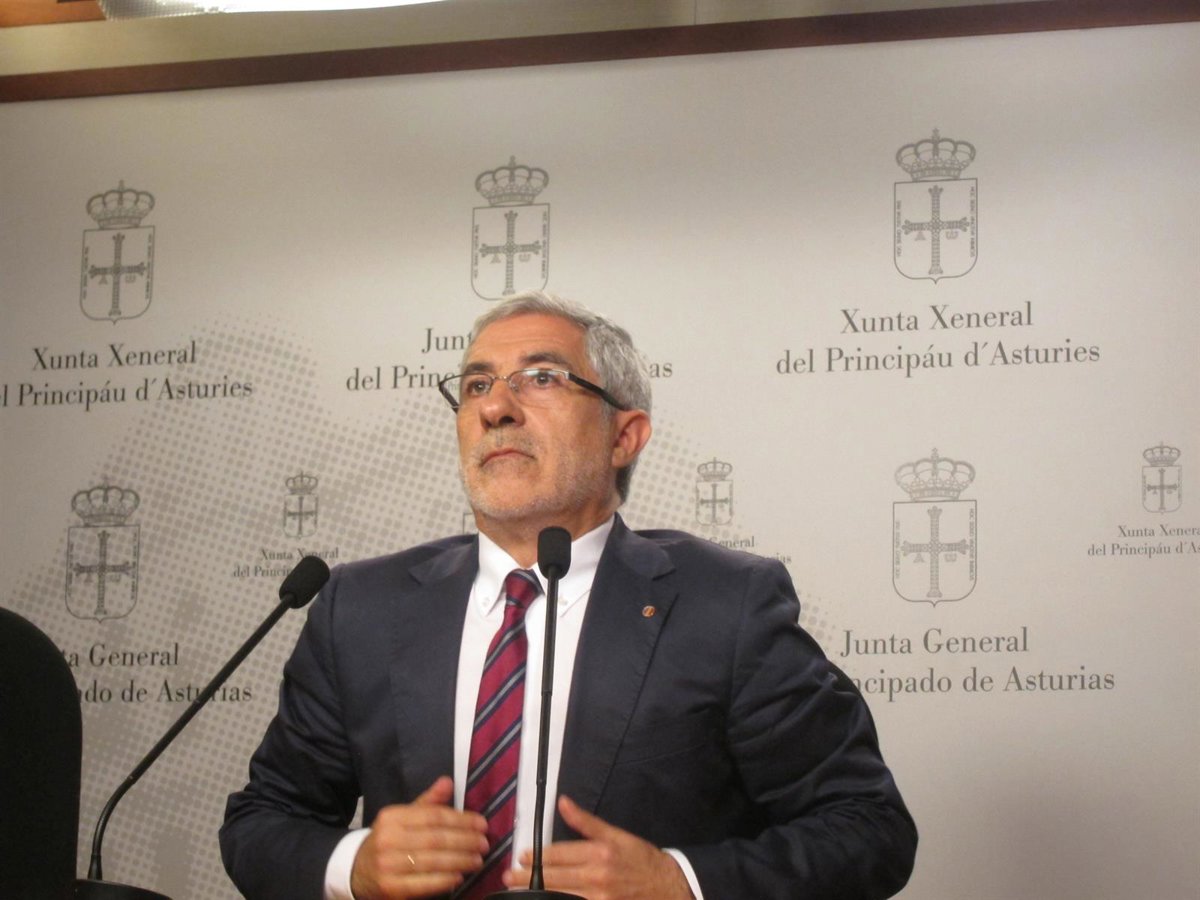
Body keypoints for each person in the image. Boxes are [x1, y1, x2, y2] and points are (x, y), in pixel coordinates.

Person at [220, 291, 917, 900]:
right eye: (476, 385)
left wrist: (680, 882)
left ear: (624, 436)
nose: (495, 407)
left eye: (542, 378)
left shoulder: (726, 605)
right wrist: (353, 866)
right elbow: (263, 822)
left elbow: (868, 828)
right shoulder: (361, 608)